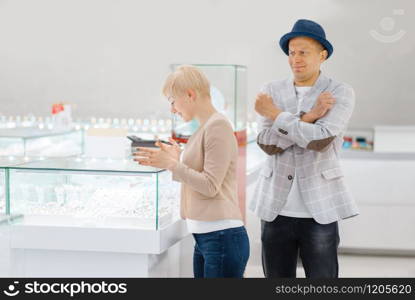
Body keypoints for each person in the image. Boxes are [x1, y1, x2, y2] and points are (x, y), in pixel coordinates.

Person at [249, 19, 359, 278]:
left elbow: (320, 140)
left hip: (319, 210)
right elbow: (266, 143)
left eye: (303, 52)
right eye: (291, 52)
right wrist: (310, 117)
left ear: (322, 55)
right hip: (276, 208)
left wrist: (276, 115)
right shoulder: (270, 90)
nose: (295, 59)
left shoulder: (340, 92)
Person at [134, 65, 250, 278]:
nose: (172, 109)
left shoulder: (218, 126)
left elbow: (210, 185)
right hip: (207, 237)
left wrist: (172, 164)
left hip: (221, 237)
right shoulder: (205, 127)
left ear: (189, 95)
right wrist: (176, 157)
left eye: (172, 101)